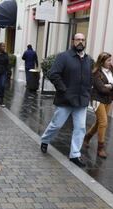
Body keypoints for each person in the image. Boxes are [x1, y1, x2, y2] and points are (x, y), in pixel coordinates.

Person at [40, 33, 93, 167]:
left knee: (80, 128)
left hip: (82, 101)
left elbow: (90, 78)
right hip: (65, 100)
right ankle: (45, 140)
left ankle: (75, 155)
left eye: (82, 39)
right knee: (56, 124)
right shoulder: (64, 57)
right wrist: (63, 89)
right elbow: (53, 74)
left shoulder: (88, 60)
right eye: (78, 40)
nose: (80, 42)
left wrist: (89, 92)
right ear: (72, 41)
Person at [83, 52, 113, 158]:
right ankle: (100, 149)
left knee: (98, 123)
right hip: (97, 100)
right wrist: (108, 87)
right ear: (102, 61)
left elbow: (106, 89)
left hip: (108, 100)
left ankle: (87, 138)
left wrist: (109, 86)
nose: (111, 62)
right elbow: (101, 89)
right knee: (104, 122)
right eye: (108, 60)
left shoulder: (112, 71)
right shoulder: (96, 73)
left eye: (111, 60)